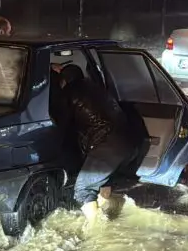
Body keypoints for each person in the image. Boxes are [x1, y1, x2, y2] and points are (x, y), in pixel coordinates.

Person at [57, 64, 146, 222]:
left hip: (108, 145)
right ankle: (107, 213)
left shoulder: (69, 93)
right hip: (130, 143)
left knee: (83, 189)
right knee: (103, 181)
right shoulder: (97, 88)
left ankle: (98, 231)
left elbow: (61, 123)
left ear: (64, 81)